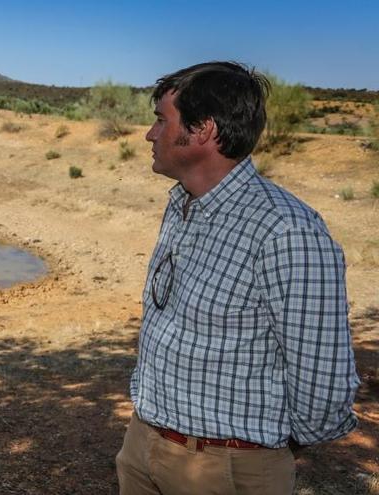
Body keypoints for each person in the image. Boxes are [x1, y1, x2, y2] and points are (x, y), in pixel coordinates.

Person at [115, 61, 359, 495]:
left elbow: (322, 378)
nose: (150, 134)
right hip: (143, 447)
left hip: (226, 469)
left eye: (160, 121)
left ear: (203, 129)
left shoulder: (287, 231)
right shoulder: (182, 204)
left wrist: (262, 452)